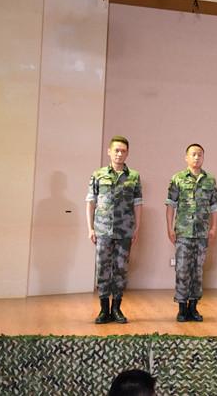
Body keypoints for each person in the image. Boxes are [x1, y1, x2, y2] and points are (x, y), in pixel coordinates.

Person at [86, 135, 143, 324]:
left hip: (125, 230)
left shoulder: (133, 176)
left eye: (123, 151)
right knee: (102, 268)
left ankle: (116, 308)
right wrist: (90, 228)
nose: (119, 154)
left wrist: (137, 227)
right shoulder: (98, 174)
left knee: (121, 269)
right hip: (102, 230)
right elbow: (90, 202)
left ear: (127, 153)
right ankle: (104, 309)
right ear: (109, 152)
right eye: (116, 150)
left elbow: (138, 204)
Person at [165, 143, 217, 322]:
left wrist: (214, 227)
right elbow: (170, 205)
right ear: (186, 157)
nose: (196, 158)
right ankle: (182, 308)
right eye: (193, 154)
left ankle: (193, 307)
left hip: (202, 233)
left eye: (200, 155)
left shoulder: (210, 180)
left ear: (203, 158)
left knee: (197, 271)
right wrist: (169, 227)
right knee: (182, 270)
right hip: (183, 232)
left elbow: (215, 206)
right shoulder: (178, 179)